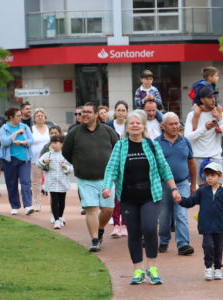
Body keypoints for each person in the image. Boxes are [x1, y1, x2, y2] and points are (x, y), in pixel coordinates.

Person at [102, 110, 180, 285]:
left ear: (144, 126)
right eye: (131, 123)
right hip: (128, 197)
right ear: (127, 127)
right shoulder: (120, 146)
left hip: (150, 195)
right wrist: (107, 187)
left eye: (138, 123)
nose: (135, 125)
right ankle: (138, 270)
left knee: (150, 228)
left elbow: (164, 168)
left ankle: (152, 268)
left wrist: (173, 188)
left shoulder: (151, 145)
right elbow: (111, 169)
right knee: (134, 233)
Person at [62, 102, 118, 252]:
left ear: (96, 114)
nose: (84, 115)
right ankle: (94, 239)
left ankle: (100, 229)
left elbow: (117, 148)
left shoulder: (108, 131)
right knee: (91, 208)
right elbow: (66, 152)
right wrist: (79, 163)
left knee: (108, 210)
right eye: (82, 112)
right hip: (85, 179)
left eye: (88, 112)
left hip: (107, 178)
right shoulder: (74, 133)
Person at [175, 162, 223, 281]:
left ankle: (218, 268)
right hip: (205, 225)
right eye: (207, 175)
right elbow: (190, 202)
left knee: (218, 248)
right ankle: (208, 268)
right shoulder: (202, 191)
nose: (209, 178)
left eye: (213, 175)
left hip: (219, 226)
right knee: (207, 246)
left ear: (220, 176)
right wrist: (180, 200)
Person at [156, 112, 198, 255]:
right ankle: (164, 240)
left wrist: (193, 184)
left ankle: (183, 244)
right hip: (163, 185)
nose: (175, 127)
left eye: (176, 123)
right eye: (171, 124)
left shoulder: (185, 141)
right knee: (164, 216)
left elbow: (191, 163)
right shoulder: (156, 143)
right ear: (163, 126)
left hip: (182, 184)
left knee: (181, 214)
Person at [184, 87, 223, 186]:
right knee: (203, 192)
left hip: (215, 157)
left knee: (217, 191)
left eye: (214, 97)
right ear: (202, 99)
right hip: (198, 158)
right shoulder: (192, 115)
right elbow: (187, 138)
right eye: (209, 97)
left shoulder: (219, 113)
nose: (213, 99)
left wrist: (219, 119)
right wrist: (205, 128)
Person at [0, 107, 35, 215]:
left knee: (26, 182)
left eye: (20, 115)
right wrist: (16, 133)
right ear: (11, 117)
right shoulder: (4, 128)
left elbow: (31, 140)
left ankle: (28, 205)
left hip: (24, 159)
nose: (21, 117)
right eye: (18, 116)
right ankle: (15, 206)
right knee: (11, 183)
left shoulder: (25, 126)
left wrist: (23, 143)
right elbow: (4, 142)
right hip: (9, 160)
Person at [38, 135, 73, 229]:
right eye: (52, 143)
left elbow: (72, 168)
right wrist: (44, 161)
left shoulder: (66, 155)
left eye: (56, 143)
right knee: (54, 200)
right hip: (51, 181)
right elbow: (38, 163)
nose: (53, 145)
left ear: (62, 144)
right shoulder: (48, 154)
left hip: (63, 182)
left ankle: (60, 217)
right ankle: (56, 220)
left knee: (62, 201)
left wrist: (66, 167)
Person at [105, 100, 129, 237]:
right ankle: (116, 225)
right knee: (114, 196)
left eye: (123, 110)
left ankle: (125, 224)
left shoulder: (131, 125)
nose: (120, 113)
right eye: (118, 110)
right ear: (114, 112)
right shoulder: (108, 126)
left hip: (127, 164)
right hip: (113, 163)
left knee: (124, 196)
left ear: (127, 112)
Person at [189, 66, 223, 132]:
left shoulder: (213, 85)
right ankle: (194, 128)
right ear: (210, 77)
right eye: (216, 76)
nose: (218, 77)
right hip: (199, 103)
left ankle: (218, 125)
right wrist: (201, 105)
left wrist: (215, 105)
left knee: (220, 108)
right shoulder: (200, 86)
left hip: (209, 103)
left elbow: (214, 96)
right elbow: (196, 97)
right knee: (196, 112)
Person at [30, 108, 51, 212]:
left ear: (45, 118)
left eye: (42, 115)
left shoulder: (49, 129)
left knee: (50, 181)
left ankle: (53, 202)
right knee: (36, 182)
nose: (40, 116)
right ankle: (37, 203)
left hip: (49, 159)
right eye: (37, 115)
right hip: (35, 159)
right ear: (34, 118)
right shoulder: (31, 129)